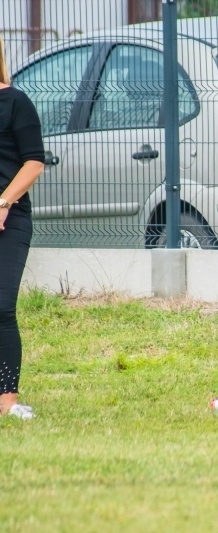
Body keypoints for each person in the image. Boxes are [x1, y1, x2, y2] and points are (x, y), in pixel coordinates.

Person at [0, 36, 45, 419]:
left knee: (1, 307)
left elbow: (34, 162)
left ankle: (7, 399)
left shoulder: (16, 102)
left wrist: (3, 202)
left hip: (10, 222)